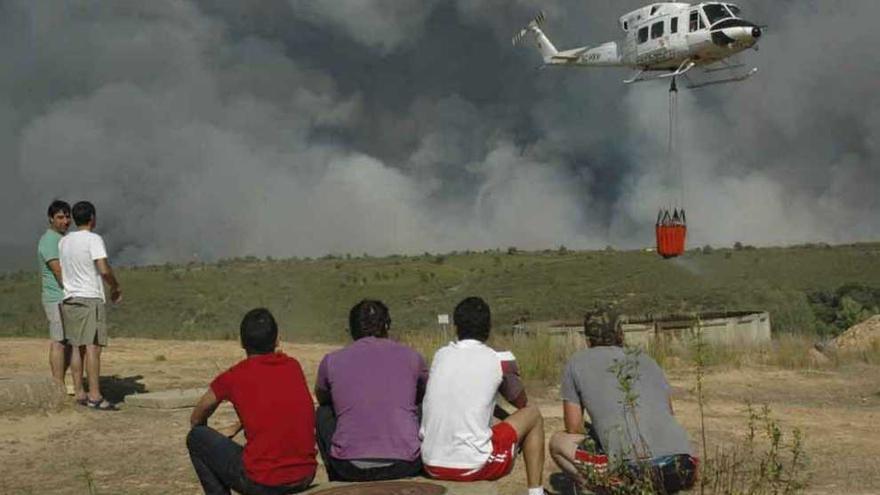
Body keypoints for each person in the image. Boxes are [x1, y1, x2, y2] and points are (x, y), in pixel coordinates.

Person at [549, 311, 697, 494]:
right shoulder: (647, 359)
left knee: (558, 442)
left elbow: (574, 428)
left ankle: (604, 490)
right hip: (684, 465)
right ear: (621, 333)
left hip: (635, 474)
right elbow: (669, 412)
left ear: (588, 339)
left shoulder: (576, 363)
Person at [420, 296, 546, 495]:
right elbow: (521, 403)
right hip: (473, 466)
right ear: (488, 327)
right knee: (534, 415)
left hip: (431, 464)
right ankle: (536, 492)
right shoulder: (500, 358)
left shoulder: (440, 355)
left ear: (456, 327)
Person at [187, 308, 316, 495]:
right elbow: (276, 409)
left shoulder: (234, 376)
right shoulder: (293, 366)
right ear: (278, 339)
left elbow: (197, 416)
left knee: (196, 437)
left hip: (263, 482)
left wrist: (209, 435)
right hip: (305, 475)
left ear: (241, 342)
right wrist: (236, 427)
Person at [314, 299, 428, 481]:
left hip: (349, 466)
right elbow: (423, 394)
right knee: (423, 406)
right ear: (387, 325)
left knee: (323, 412)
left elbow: (323, 398)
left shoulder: (332, 360)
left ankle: (335, 477)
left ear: (352, 329)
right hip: (405, 464)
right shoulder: (413, 357)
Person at [59, 201, 122, 410]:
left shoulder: (64, 241)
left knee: (77, 346)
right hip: (89, 298)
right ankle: (95, 396)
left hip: (69, 298)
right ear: (92, 218)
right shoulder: (94, 239)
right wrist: (115, 287)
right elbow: (103, 269)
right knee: (93, 347)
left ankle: (80, 392)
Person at [37, 200, 71, 389]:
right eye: (60, 217)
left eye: (67, 217)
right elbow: (58, 271)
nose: (65, 221)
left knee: (67, 342)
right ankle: (57, 385)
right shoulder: (49, 240)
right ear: (51, 219)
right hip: (56, 297)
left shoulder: (61, 239)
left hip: (64, 297)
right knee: (59, 342)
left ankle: (61, 383)